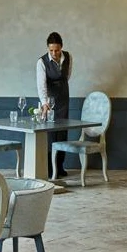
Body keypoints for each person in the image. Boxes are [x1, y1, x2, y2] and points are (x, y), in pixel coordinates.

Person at [36, 32, 72, 178]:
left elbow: (67, 76)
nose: (54, 53)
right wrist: (45, 103)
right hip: (49, 101)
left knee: (62, 132)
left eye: (56, 50)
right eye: (51, 50)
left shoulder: (68, 57)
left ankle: (60, 166)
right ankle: (50, 168)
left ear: (61, 47)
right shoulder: (41, 62)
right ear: (48, 48)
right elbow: (41, 85)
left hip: (63, 98)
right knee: (51, 134)